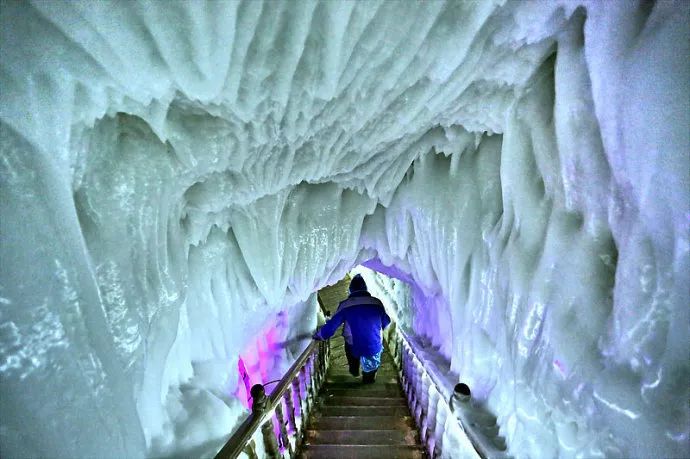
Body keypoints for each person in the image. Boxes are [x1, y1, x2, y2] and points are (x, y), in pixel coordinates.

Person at [313, 274, 391, 383]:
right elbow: (386, 322)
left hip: (353, 344)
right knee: (371, 368)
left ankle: (354, 371)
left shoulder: (345, 305)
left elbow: (331, 326)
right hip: (373, 344)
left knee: (352, 356)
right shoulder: (377, 303)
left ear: (351, 290)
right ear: (365, 289)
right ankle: (368, 379)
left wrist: (319, 335)